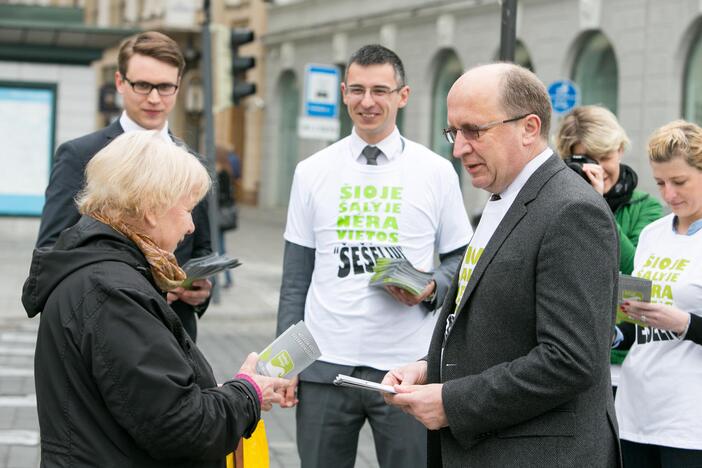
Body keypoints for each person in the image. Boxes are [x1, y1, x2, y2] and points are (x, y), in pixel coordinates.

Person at [383, 63, 621, 467]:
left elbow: (571, 360)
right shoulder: (502, 197)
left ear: (529, 127)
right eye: (453, 132)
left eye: (473, 130)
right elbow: (495, 327)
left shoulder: (572, 210)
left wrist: (452, 402)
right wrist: (430, 369)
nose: (458, 148)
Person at [22, 131, 290, 467]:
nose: (192, 226)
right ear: (151, 209)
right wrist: (247, 394)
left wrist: (221, 392)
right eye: (187, 209)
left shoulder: (99, 271)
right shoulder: (112, 292)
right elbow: (181, 428)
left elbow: (142, 398)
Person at [277, 44, 472, 468]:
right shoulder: (311, 171)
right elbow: (296, 277)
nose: (368, 102)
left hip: (406, 369)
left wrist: (433, 284)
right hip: (324, 363)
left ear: (403, 95)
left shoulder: (436, 171)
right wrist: (286, 365)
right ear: (344, 93)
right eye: (358, 90)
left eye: (380, 90)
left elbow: (465, 259)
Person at [35, 31, 211, 341]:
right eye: (143, 85)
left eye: (166, 87)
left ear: (179, 85)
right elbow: (51, 252)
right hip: (102, 331)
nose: (155, 98)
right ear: (119, 82)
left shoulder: (193, 165)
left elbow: (201, 248)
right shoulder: (79, 155)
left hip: (174, 335)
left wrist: (200, 293)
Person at [555, 105, 663, 390]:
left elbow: (637, 268)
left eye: (606, 157)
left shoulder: (645, 207)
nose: (600, 169)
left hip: (622, 357)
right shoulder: (557, 205)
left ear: (621, 150)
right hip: (567, 354)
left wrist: (598, 205)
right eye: (589, 160)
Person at [615, 119, 702, 468]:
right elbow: (644, 324)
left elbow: (676, 320)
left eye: (679, 182)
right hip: (636, 413)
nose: (668, 195)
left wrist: (684, 324)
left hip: (690, 423)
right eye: (660, 183)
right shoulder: (652, 234)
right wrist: (617, 331)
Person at [216, 145, 241, 288]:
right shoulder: (226, 171)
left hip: (219, 216)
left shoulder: (223, 173)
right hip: (221, 215)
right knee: (220, 248)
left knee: (220, 248)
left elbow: (223, 196)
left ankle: (227, 279)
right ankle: (226, 279)